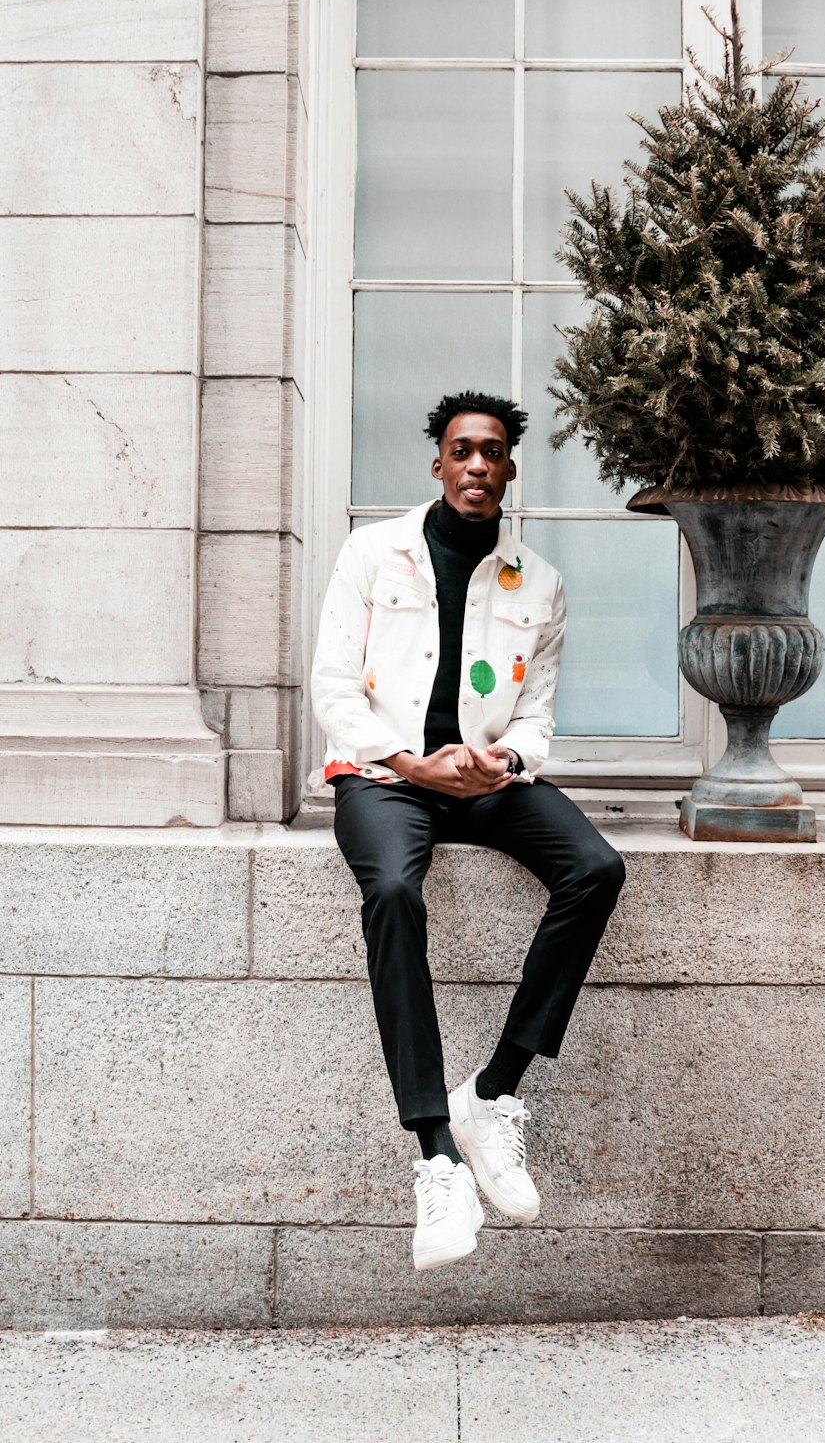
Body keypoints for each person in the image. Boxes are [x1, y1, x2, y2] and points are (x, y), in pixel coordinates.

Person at [311, 390, 626, 1271]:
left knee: (596, 868)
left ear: (510, 467)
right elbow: (334, 686)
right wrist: (411, 763)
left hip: (482, 778)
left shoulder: (540, 582)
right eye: (462, 450)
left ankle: (491, 1093)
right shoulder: (373, 553)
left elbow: (537, 715)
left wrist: (505, 764)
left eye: (493, 451)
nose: (478, 464)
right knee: (394, 889)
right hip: (386, 775)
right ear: (438, 464)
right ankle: (436, 1151)